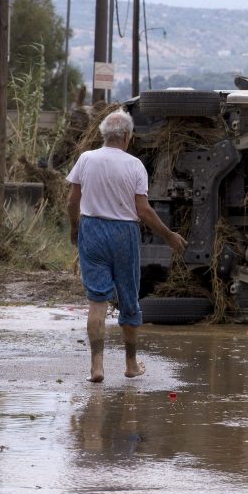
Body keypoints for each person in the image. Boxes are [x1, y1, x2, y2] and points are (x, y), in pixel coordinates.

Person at [66, 109, 186, 383]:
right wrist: (168, 236)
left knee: (97, 300)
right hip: (124, 234)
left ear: (104, 135)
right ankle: (131, 364)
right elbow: (143, 210)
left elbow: (72, 202)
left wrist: (75, 227)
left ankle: (97, 367)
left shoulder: (86, 159)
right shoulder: (134, 165)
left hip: (92, 229)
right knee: (129, 299)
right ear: (128, 137)